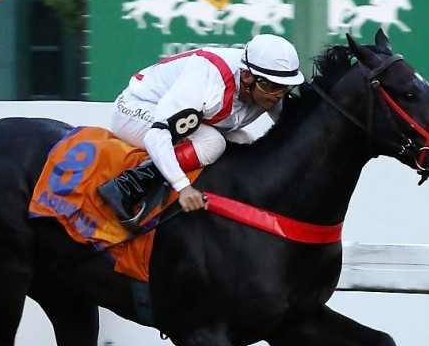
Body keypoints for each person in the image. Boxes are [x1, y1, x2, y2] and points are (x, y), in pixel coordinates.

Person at [99, 34, 305, 227]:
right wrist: (183, 187)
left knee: (244, 141)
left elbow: (296, 135)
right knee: (213, 143)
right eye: (270, 86)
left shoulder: (265, 87)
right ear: (247, 76)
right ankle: (127, 185)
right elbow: (157, 135)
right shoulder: (207, 80)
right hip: (134, 109)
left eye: (285, 87)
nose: (278, 95)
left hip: (185, 118)